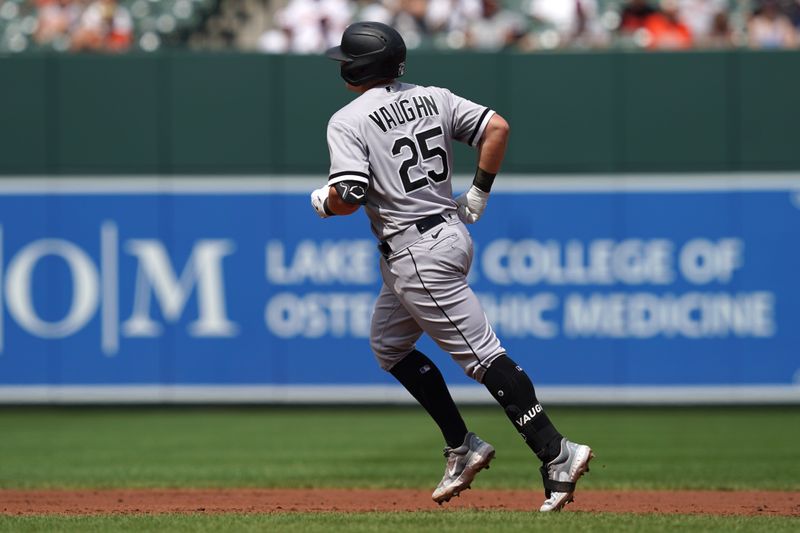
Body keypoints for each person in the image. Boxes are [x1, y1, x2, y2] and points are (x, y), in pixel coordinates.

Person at [311, 21, 593, 512]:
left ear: (358, 68)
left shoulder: (349, 119)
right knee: (389, 345)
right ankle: (463, 446)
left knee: (485, 357)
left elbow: (351, 195)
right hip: (446, 234)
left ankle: (556, 452)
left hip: (417, 252)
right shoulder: (433, 96)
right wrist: (479, 191)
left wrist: (324, 201)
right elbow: (496, 128)